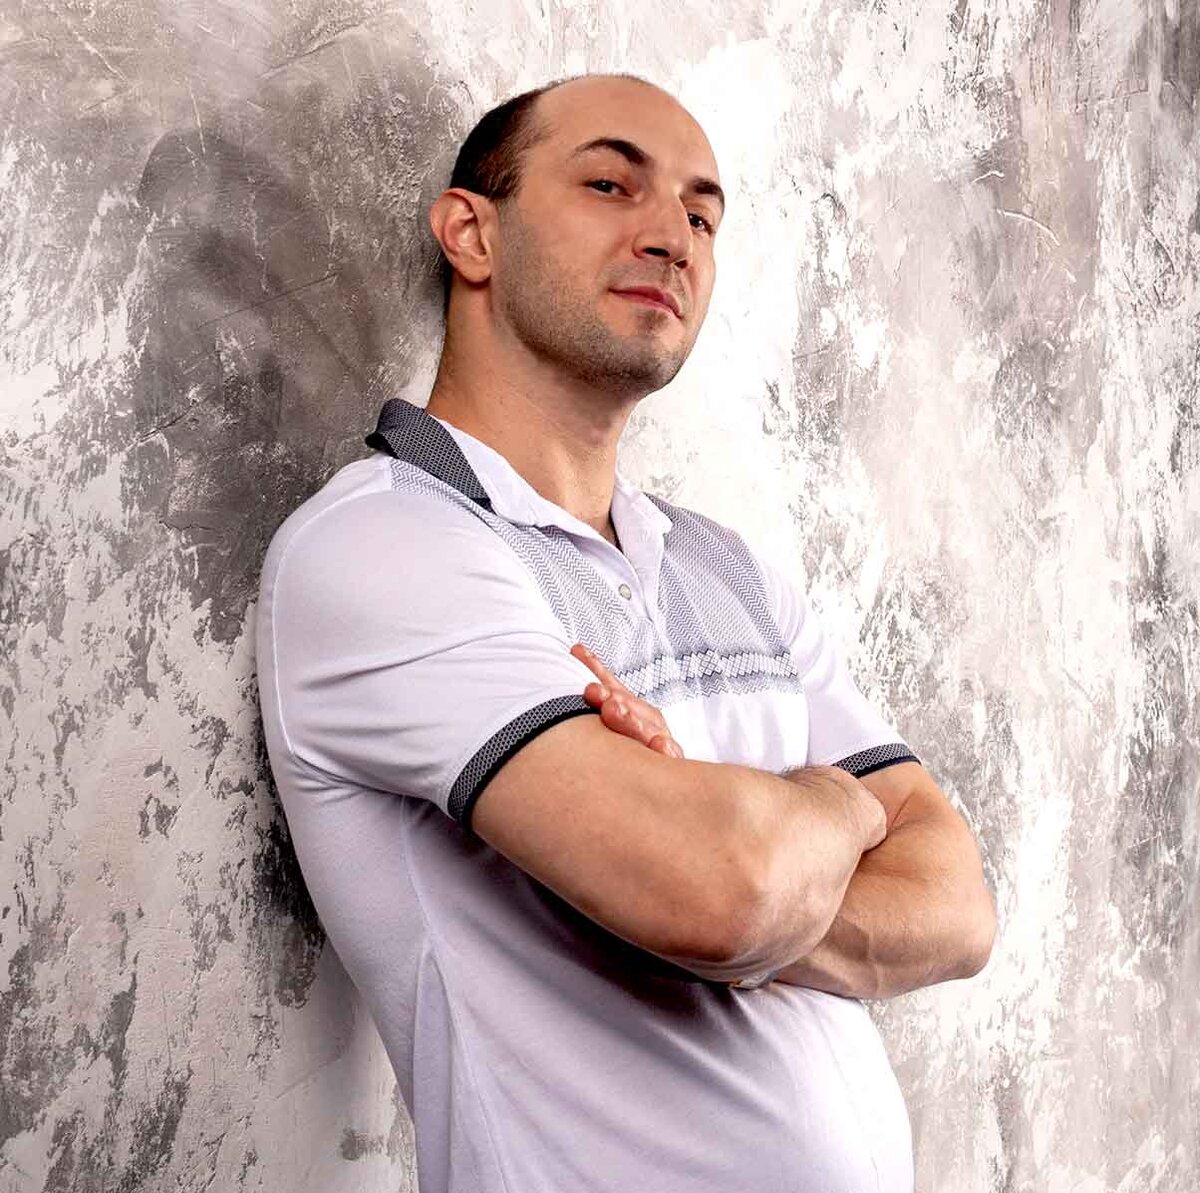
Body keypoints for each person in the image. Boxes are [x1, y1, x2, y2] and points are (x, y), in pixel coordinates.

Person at [255, 71, 996, 1193]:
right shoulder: (384, 545)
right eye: (611, 184)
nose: (672, 237)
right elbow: (721, 892)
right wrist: (841, 806)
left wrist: (748, 853)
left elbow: (959, 908)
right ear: (471, 233)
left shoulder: (723, 564)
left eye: (702, 214)